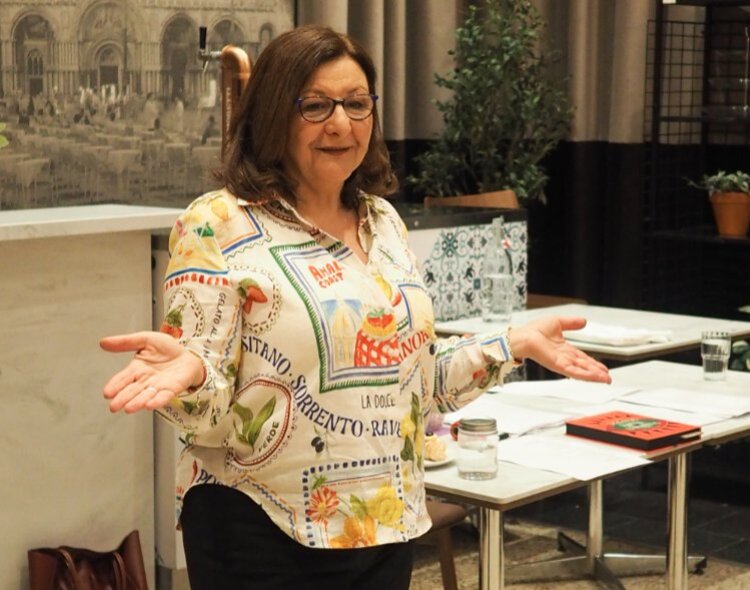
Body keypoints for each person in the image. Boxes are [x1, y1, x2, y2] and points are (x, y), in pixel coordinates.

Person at [100, 25, 610, 590]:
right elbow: (212, 411)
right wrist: (192, 373)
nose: (340, 123)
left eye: (356, 103)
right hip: (262, 528)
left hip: (383, 524)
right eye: (315, 105)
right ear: (273, 112)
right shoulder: (218, 222)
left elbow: (417, 384)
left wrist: (514, 344)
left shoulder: (384, 222)